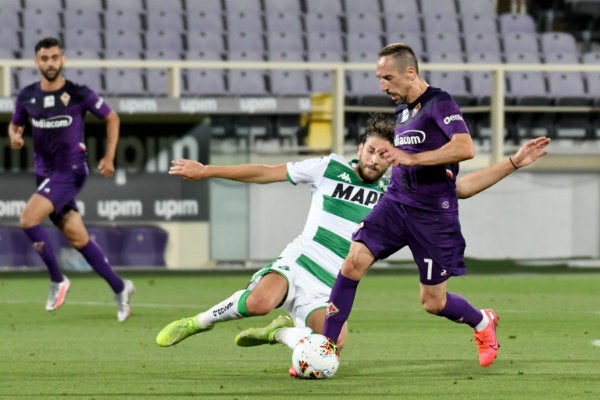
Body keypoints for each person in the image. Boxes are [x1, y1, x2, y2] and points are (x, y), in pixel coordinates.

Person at [155, 109, 550, 359]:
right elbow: (266, 171)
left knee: (336, 345)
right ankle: (198, 322)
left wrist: (514, 162)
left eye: (385, 154)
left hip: (334, 284)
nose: (377, 159)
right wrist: (207, 170)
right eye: (371, 151)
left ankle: (281, 334)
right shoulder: (327, 168)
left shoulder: (402, 187)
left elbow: (462, 188)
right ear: (360, 148)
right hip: (300, 260)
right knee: (260, 301)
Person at [322, 42, 528, 368]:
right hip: (395, 204)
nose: (382, 85)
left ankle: (481, 321)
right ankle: (326, 348)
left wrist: (512, 163)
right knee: (352, 262)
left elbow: (465, 148)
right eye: (379, 77)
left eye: (388, 77)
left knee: (433, 302)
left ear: (410, 72)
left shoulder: (439, 104)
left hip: (433, 217)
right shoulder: (402, 111)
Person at [7, 37, 134, 322]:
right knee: (78, 238)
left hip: (71, 172)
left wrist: (109, 156)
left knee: (28, 219)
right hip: (44, 174)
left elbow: (112, 118)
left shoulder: (78, 93)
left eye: (54, 57)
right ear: (37, 62)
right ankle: (120, 286)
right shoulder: (27, 95)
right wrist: (14, 136)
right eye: (44, 58)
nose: (50, 63)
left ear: (62, 59)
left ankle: (58, 279)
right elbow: (16, 124)